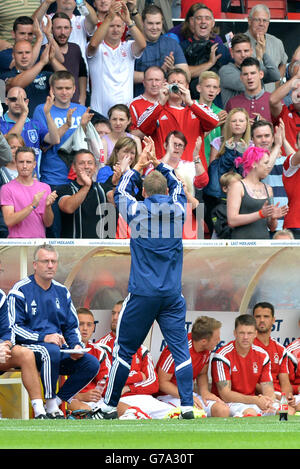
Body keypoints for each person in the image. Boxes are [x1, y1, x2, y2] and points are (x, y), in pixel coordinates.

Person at [90, 138, 195, 419]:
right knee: (181, 351)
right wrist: (159, 163)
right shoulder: (178, 210)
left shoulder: (137, 210)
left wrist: (136, 165)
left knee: (123, 350)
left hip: (142, 294)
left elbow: (122, 190)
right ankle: (187, 407)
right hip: (172, 294)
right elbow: (179, 187)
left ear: (145, 192)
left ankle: (109, 406)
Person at [7, 243, 100, 419]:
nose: (50, 265)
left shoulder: (62, 291)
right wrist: (44, 337)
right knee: (49, 350)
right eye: (45, 261)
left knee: (91, 363)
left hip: (56, 350)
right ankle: (48, 407)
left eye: (53, 261)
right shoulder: (21, 290)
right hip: (28, 348)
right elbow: (14, 328)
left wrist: (76, 346)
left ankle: (56, 402)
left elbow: (71, 326)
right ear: (35, 264)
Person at [94, 302, 173, 420]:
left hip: (144, 398)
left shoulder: (142, 349)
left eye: (119, 313)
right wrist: (139, 376)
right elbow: (107, 383)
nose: (115, 317)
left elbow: (154, 383)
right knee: (137, 417)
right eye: (113, 313)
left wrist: (128, 388)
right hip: (120, 400)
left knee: (175, 415)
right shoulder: (101, 347)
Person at [135, 68, 219, 165]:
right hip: (164, 171)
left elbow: (214, 121)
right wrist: (161, 102)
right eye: (172, 82)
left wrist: (190, 103)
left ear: (187, 86)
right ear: (165, 85)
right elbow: (142, 126)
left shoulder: (198, 107)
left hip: (193, 172)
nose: (176, 85)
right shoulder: (156, 109)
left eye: (180, 82)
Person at [156, 316, 230, 418]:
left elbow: (202, 373)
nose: (219, 341)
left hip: (188, 395)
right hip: (167, 397)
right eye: (216, 338)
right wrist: (187, 396)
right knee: (195, 415)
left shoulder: (207, 348)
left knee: (222, 410)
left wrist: (204, 392)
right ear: (203, 341)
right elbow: (162, 383)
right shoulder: (178, 349)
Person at [87, 1, 146, 117]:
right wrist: (108, 18)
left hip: (124, 116)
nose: (115, 30)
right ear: (104, 27)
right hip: (100, 114)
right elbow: (93, 45)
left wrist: (129, 21)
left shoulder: (128, 47)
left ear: (124, 28)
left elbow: (143, 44)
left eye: (119, 26)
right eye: (111, 26)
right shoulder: (97, 48)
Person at [211, 314, 277, 417]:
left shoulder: (263, 355)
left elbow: (268, 388)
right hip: (229, 402)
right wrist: (255, 400)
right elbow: (225, 395)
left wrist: (268, 401)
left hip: (253, 401)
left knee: (285, 411)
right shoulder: (222, 355)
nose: (245, 337)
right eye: (242, 333)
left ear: (255, 334)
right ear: (235, 333)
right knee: (250, 413)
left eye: (249, 333)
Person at [0, 288, 48, 419]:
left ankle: (40, 412)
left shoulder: (1, 296)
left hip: (1, 352)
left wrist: (5, 346)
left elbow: (7, 332)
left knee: (25, 354)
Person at [227, 146, 289, 239]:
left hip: (263, 244)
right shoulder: (237, 186)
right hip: (241, 244)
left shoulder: (268, 189)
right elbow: (232, 220)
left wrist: (273, 218)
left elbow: (272, 228)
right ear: (254, 163)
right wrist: (260, 214)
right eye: (265, 163)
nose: (269, 166)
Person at [0, 86, 61, 175]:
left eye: (22, 100)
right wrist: (24, 114)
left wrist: (47, 113)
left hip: (32, 180)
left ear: (27, 102)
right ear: (6, 101)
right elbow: (6, 144)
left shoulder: (35, 124)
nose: (18, 103)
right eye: (14, 99)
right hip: (7, 179)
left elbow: (55, 139)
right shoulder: (1, 123)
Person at [0, 146, 57, 238]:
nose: (25, 166)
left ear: (34, 164)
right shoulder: (7, 188)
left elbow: (48, 223)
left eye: (28, 162)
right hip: (17, 243)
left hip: (39, 243)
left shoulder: (45, 187)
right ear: (16, 163)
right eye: (21, 162)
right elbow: (9, 221)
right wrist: (32, 206)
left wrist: (48, 207)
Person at [133, 4, 189, 97]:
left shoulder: (172, 44)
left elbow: (187, 76)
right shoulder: (132, 44)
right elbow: (125, 76)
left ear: (162, 23)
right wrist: (160, 73)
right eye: (150, 23)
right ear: (143, 23)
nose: (155, 27)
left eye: (158, 23)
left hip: (167, 101)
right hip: (140, 101)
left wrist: (172, 70)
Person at [0, 39, 66, 117]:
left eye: (27, 52)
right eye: (20, 53)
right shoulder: (4, 76)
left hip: (43, 125)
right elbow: (16, 85)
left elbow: (66, 79)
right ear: (13, 55)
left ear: (33, 54)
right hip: (18, 126)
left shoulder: (45, 74)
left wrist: (52, 59)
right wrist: (42, 62)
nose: (24, 56)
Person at [57, 149, 113, 238]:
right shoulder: (65, 189)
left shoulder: (104, 188)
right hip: (74, 249)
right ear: (74, 168)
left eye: (90, 163)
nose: (86, 166)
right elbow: (68, 208)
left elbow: (119, 204)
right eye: (81, 163)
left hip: (101, 249)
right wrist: (86, 186)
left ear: (95, 168)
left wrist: (118, 179)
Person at [179, 3, 231, 100]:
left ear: (213, 23)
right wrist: (210, 63)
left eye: (207, 18)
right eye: (199, 18)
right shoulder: (182, 47)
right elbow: (183, 74)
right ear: (192, 22)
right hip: (189, 102)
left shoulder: (221, 49)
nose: (203, 21)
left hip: (215, 106)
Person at [253, 301, 296, 414]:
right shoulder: (248, 346)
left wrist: (286, 398)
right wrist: (273, 395)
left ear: (273, 320)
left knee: (290, 407)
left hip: (278, 395)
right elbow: (249, 382)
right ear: (253, 320)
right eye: (258, 316)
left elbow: (285, 382)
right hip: (261, 397)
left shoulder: (280, 349)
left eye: (266, 316)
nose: (262, 320)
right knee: (287, 412)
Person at [219, 32, 281, 108]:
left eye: (246, 51)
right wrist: (258, 60)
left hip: (257, 116)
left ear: (251, 51)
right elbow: (251, 86)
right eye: (238, 51)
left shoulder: (254, 67)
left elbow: (276, 76)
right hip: (235, 118)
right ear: (232, 53)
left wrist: (263, 53)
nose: (243, 55)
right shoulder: (225, 71)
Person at [252, 119, 289, 231]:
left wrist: (284, 140)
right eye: (259, 136)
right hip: (261, 227)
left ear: (273, 138)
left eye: (267, 136)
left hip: (286, 225)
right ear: (252, 140)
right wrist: (277, 145)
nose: (264, 140)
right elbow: (266, 168)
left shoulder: (283, 160)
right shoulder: (250, 162)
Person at [45, 12, 88, 105]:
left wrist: (83, 96)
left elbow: (82, 73)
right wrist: (48, 35)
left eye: (66, 28)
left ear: (71, 29)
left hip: (76, 104)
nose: (62, 32)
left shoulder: (75, 48)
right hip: (54, 106)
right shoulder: (45, 50)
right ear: (51, 30)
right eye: (58, 28)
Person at [245, 4, 288, 92]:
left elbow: (283, 63)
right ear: (249, 21)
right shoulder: (238, 42)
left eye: (265, 20)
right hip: (247, 98)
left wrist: (277, 85)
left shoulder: (277, 42)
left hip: (271, 98)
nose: (261, 24)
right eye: (257, 20)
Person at [226, 57, 272, 123]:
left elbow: (284, 129)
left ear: (261, 74)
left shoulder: (273, 101)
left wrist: (265, 124)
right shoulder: (232, 103)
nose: (249, 77)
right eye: (245, 74)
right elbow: (227, 131)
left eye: (253, 73)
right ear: (241, 77)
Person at [196, 71, 227, 166]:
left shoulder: (221, 112)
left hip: (214, 164)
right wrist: (213, 123)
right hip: (196, 162)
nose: (211, 90)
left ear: (218, 91)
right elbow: (192, 139)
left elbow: (225, 141)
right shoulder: (191, 109)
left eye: (215, 87)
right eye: (208, 86)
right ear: (199, 88)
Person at [130, 65, 165, 140]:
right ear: (144, 82)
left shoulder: (171, 102)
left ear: (164, 82)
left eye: (157, 80)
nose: (154, 84)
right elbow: (132, 135)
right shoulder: (134, 104)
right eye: (150, 80)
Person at [269, 67, 300, 151]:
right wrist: (296, 77)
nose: (299, 94)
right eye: (295, 90)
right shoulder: (285, 112)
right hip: (284, 162)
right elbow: (273, 100)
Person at [211, 171, 242, 239]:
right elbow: (222, 233)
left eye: (241, 185)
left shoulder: (246, 204)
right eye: (235, 186)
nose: (240, 188)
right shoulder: (218, 210)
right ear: (225, 189)